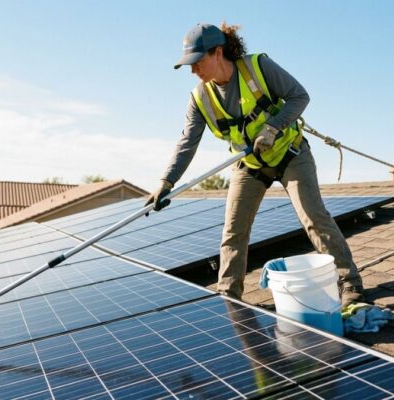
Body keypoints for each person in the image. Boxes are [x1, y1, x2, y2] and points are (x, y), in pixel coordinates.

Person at [145, 22, 364, 306]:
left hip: (290, 154)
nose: (193, 70)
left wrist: (273, 127)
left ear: (217, 53)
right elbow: (187, 142)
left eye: (197, 62)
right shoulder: (200, 98)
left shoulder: (258, 67)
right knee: (233, 231)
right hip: (250, 165)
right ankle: (229, 297)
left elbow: (300, 96)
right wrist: (167, 182)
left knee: (313, 217)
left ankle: (350, 283)